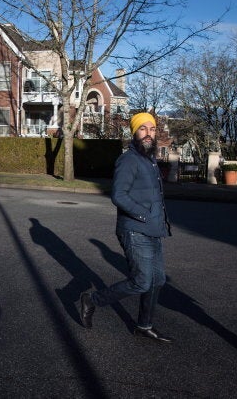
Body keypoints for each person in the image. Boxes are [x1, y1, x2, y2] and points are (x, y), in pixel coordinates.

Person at [80, 112, 173, 343]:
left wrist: (156, 219)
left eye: (152, 129)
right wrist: (144, 214)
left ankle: (144, 325)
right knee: (142, 281)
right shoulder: (129, 160)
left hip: (152, 229)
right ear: (134, 132)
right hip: (134, 229)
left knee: (157, 279)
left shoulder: (149, 159)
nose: (149, 134)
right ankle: (93, 300)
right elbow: (118, 195)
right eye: (143, 129)